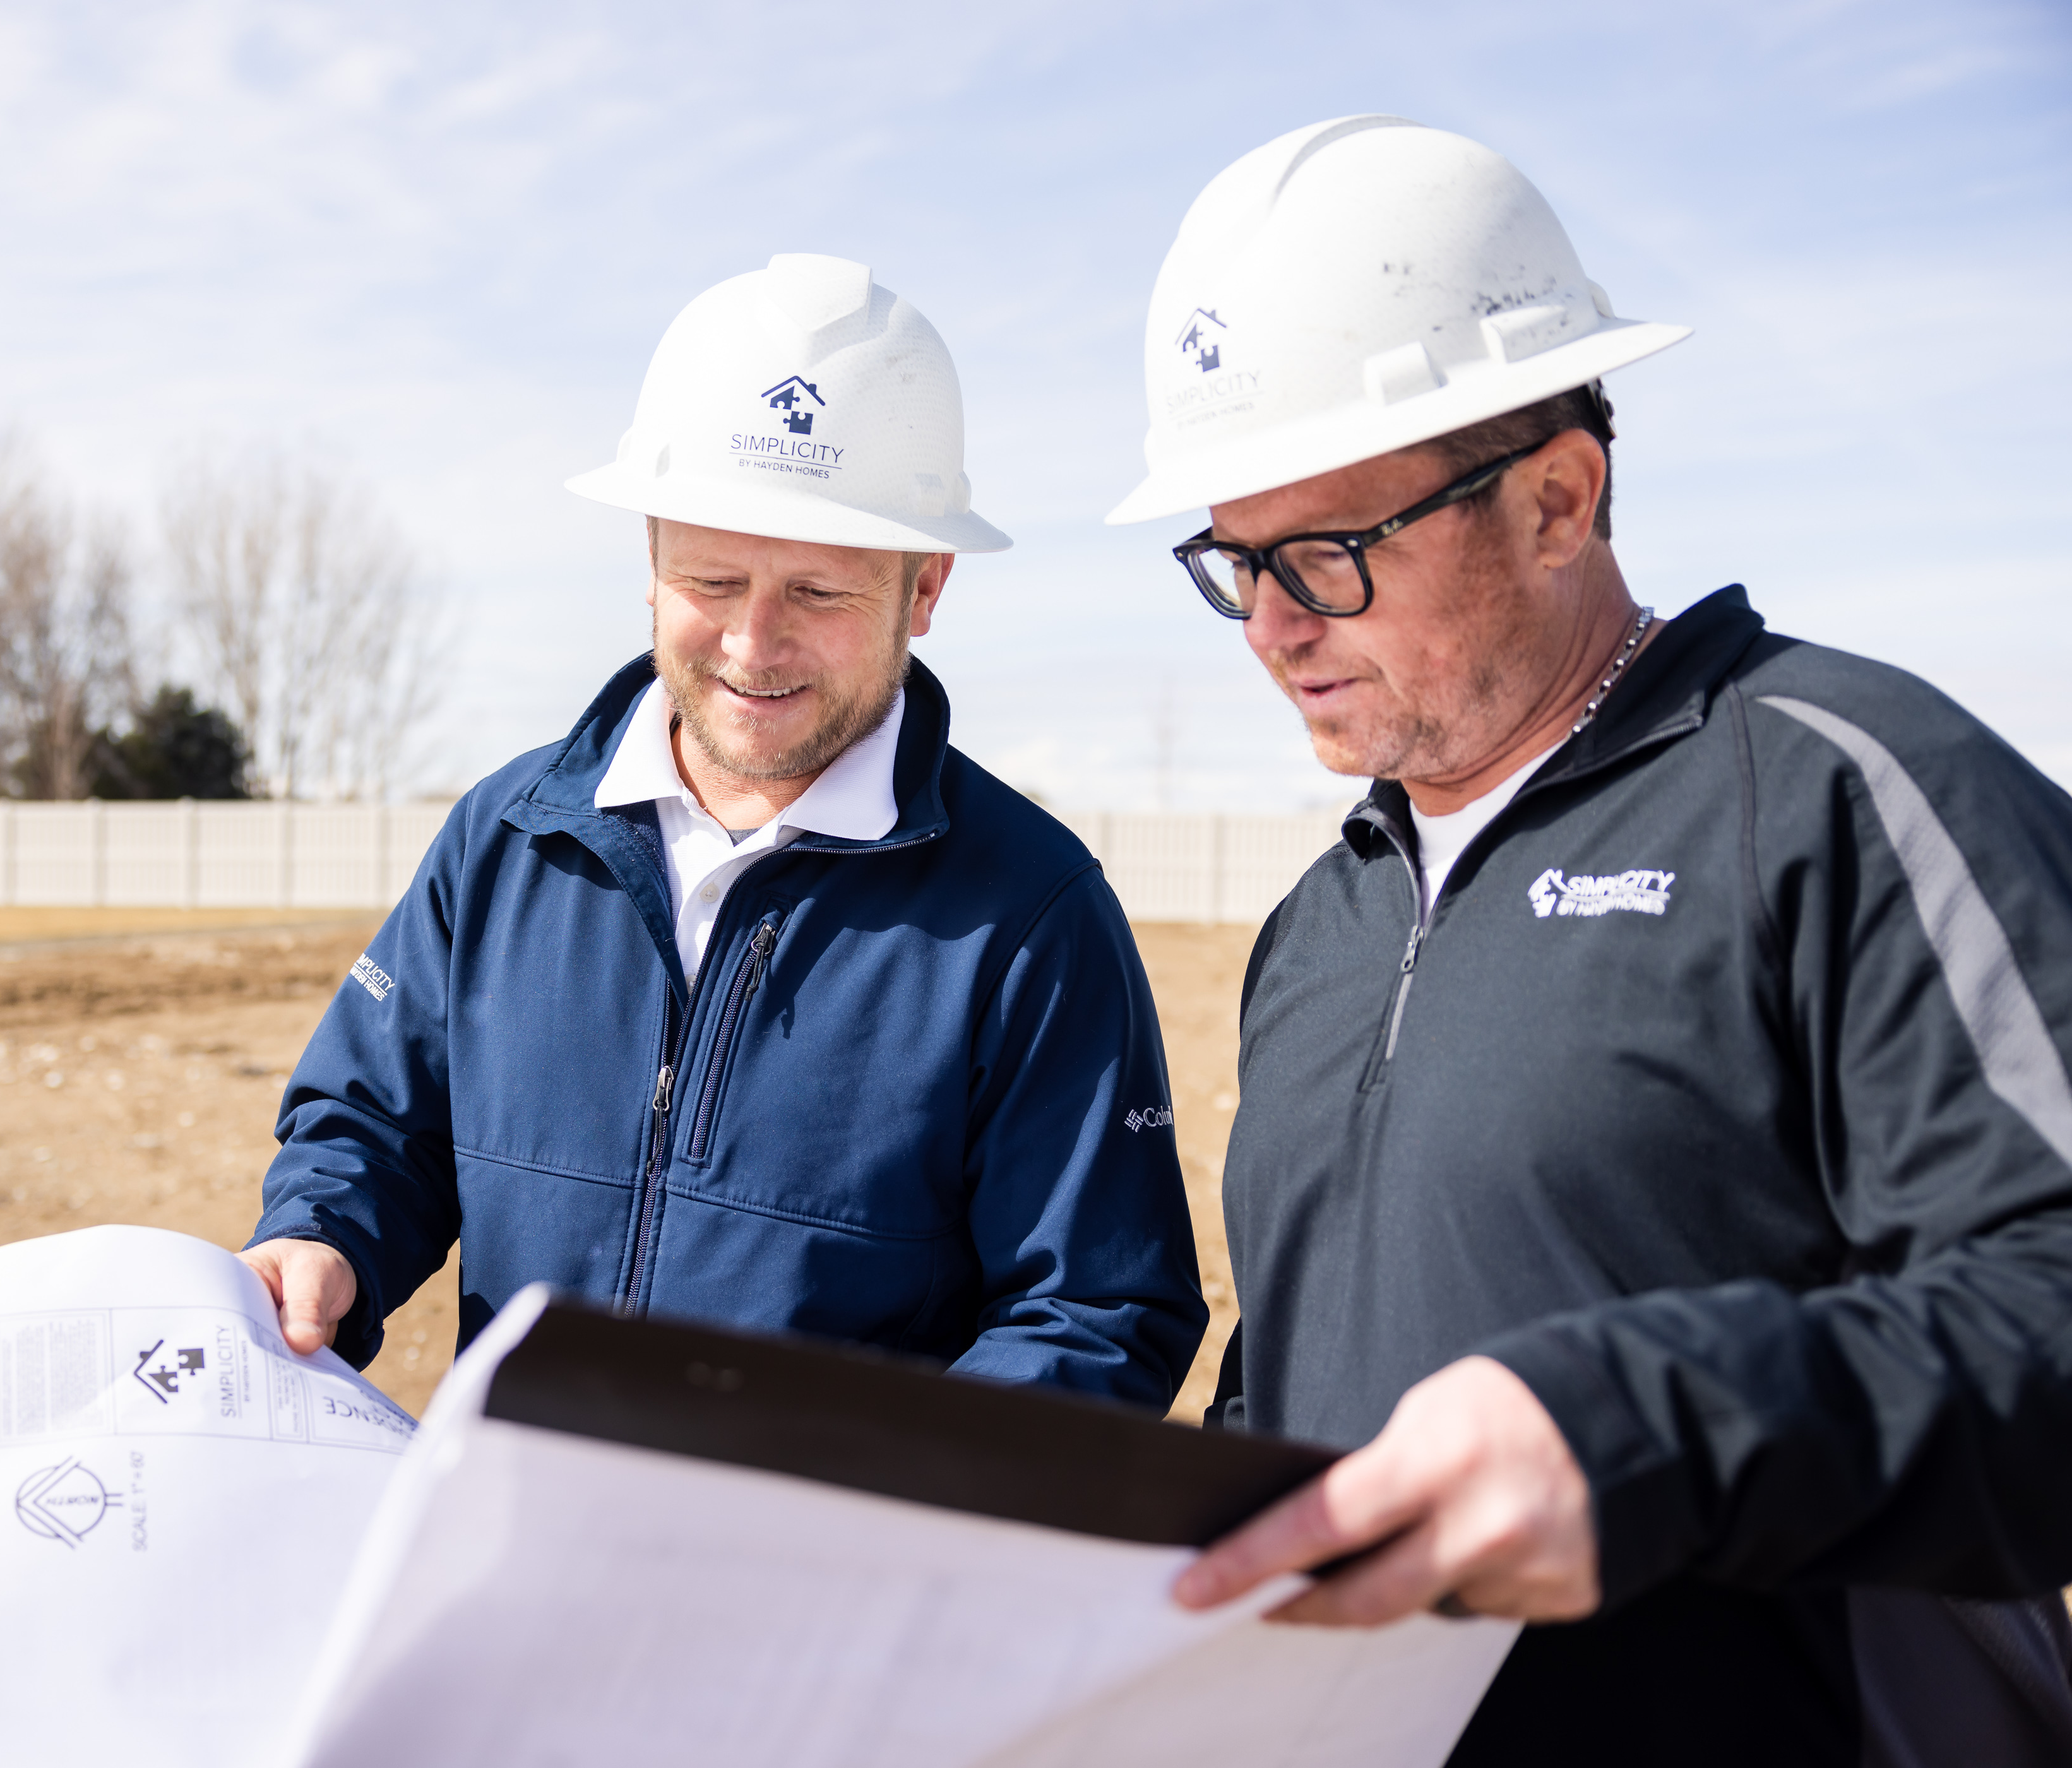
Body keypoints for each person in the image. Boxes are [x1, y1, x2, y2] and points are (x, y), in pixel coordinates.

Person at [1107, 117, 2072, 1762]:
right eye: (1235, 561)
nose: (1270, 626)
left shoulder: (1841, 795)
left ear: (1559, 500)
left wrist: (1651, 1433)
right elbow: (1290, 1382)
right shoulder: (1323, 920)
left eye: (1329, 554)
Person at [239, 252, 1206, 1409]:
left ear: (927, 587)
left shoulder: (1031, 916)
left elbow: (1095, 1312)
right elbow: (371, 1127)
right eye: (713, 577)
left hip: (825, 1579)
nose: (754, 643)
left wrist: (884, 1512)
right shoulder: (506, 842)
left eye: (819, 592)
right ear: (651, 560)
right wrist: (324, 1233)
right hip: (508, 1547)